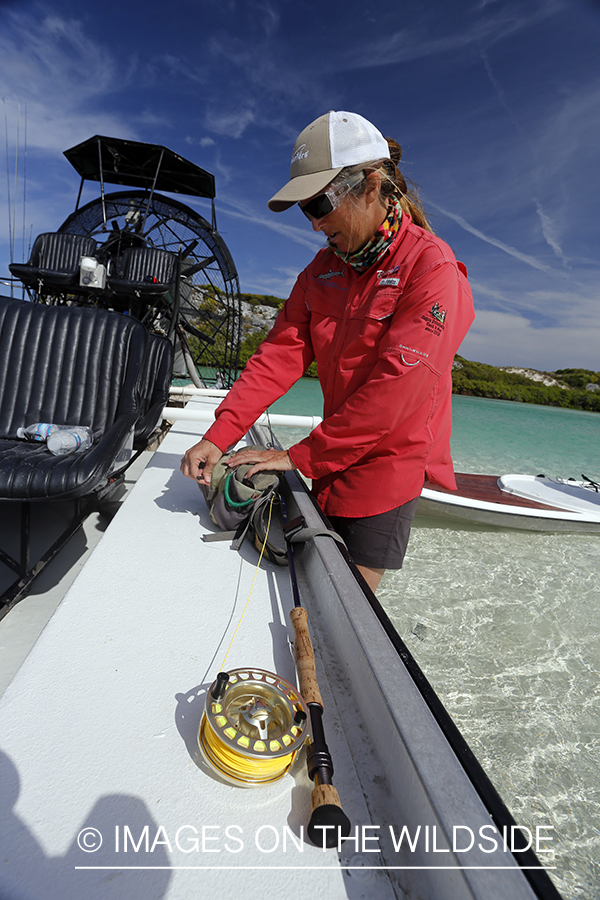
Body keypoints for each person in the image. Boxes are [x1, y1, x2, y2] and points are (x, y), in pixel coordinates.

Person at [181, 111, 475, 591]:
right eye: (305, 210)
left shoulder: (432, 267)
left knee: (346, 602)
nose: (315, 225)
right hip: (326, 460)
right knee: (311, 583)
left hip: (385, 472)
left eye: (319, 203)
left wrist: (298, 457)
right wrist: (219, 436)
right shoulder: (320, 272)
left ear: (371, 185)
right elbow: (277, 357)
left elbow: (398, 390)